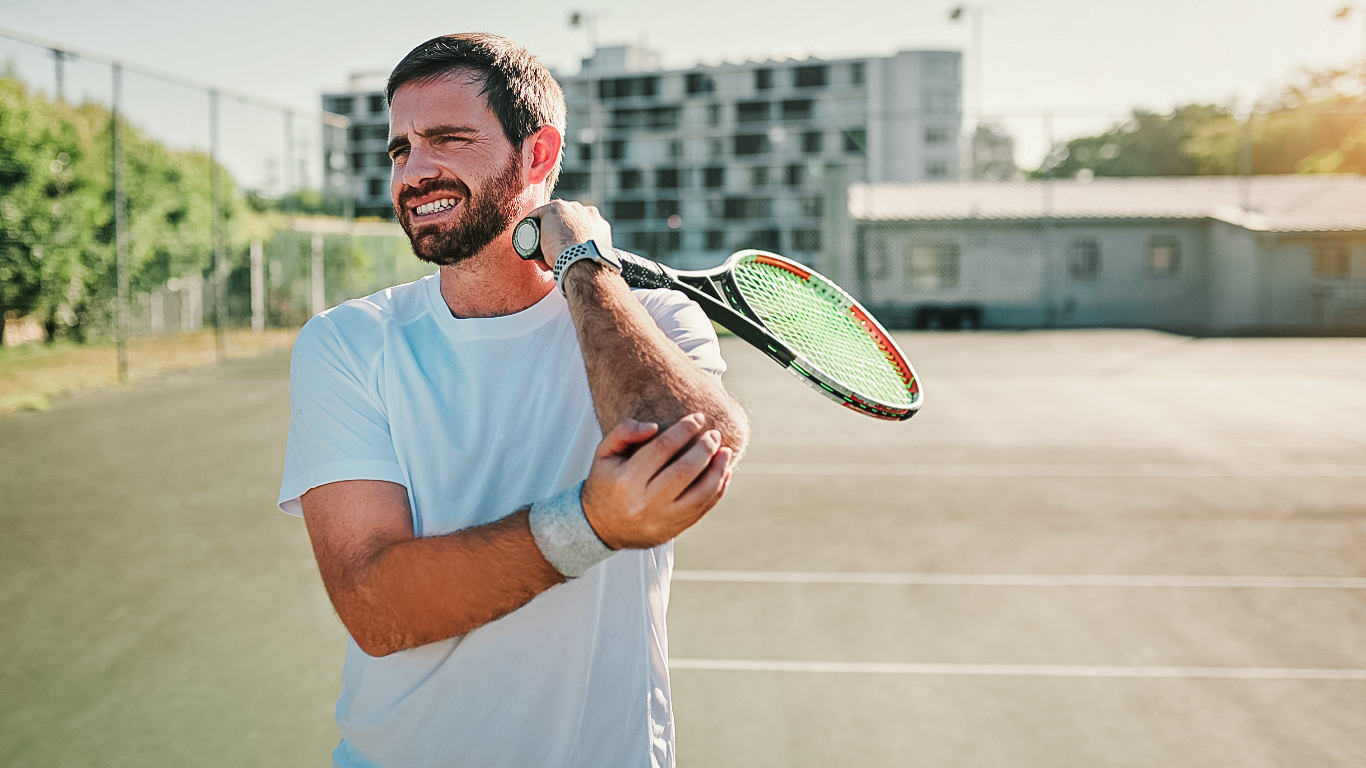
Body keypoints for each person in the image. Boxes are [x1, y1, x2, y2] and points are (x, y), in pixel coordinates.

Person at [277, 32, 750, 768]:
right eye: (400, 148)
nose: (414, 170)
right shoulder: (348, 342)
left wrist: (585, 267)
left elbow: (692, 454)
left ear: (537, 156)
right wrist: (591, 523)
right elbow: (376, 605)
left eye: (448, 139)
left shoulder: (654, 319)